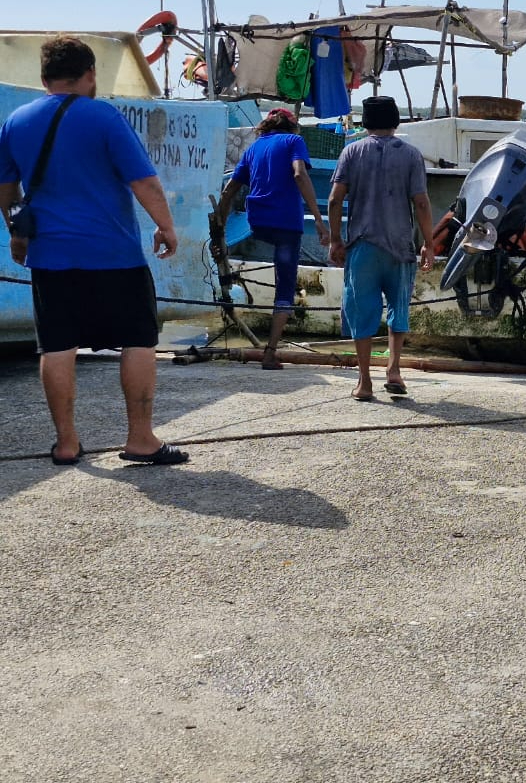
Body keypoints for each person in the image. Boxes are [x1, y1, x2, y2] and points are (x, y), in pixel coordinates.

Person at [0, 35, 188, 465]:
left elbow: (6, 188)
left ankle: (67, 443)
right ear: (89, 75)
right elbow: (144, 181)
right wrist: (166, 226)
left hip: (50, 255)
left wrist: (15, 230)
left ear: (44, 76)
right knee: (138, 340)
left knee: (57, 346)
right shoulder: (103, 116)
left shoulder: (16, 122)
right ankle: (140, 439)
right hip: (115, 254)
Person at [327, 96, 434, 401]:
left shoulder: (352, 151)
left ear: (365, 123)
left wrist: (335, 239)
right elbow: (422, 202)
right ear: (396, 121)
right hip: (400, 246)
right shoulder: (412, 155)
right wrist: (428, 242)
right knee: (398, 307)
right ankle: (395, 370)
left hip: (362, 245)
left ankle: (364, 382)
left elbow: (335, 200)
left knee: (362, 310)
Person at [215, 108, 329, 369]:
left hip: (257, 223)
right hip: (286, 223)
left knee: (280, 270)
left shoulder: (253, 149)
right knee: (285, 286)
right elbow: (300, 174)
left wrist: (219, 225)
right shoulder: (294, 142)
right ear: (292, 127)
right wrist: (319, 221)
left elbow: (230, 188)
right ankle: (270, 352)